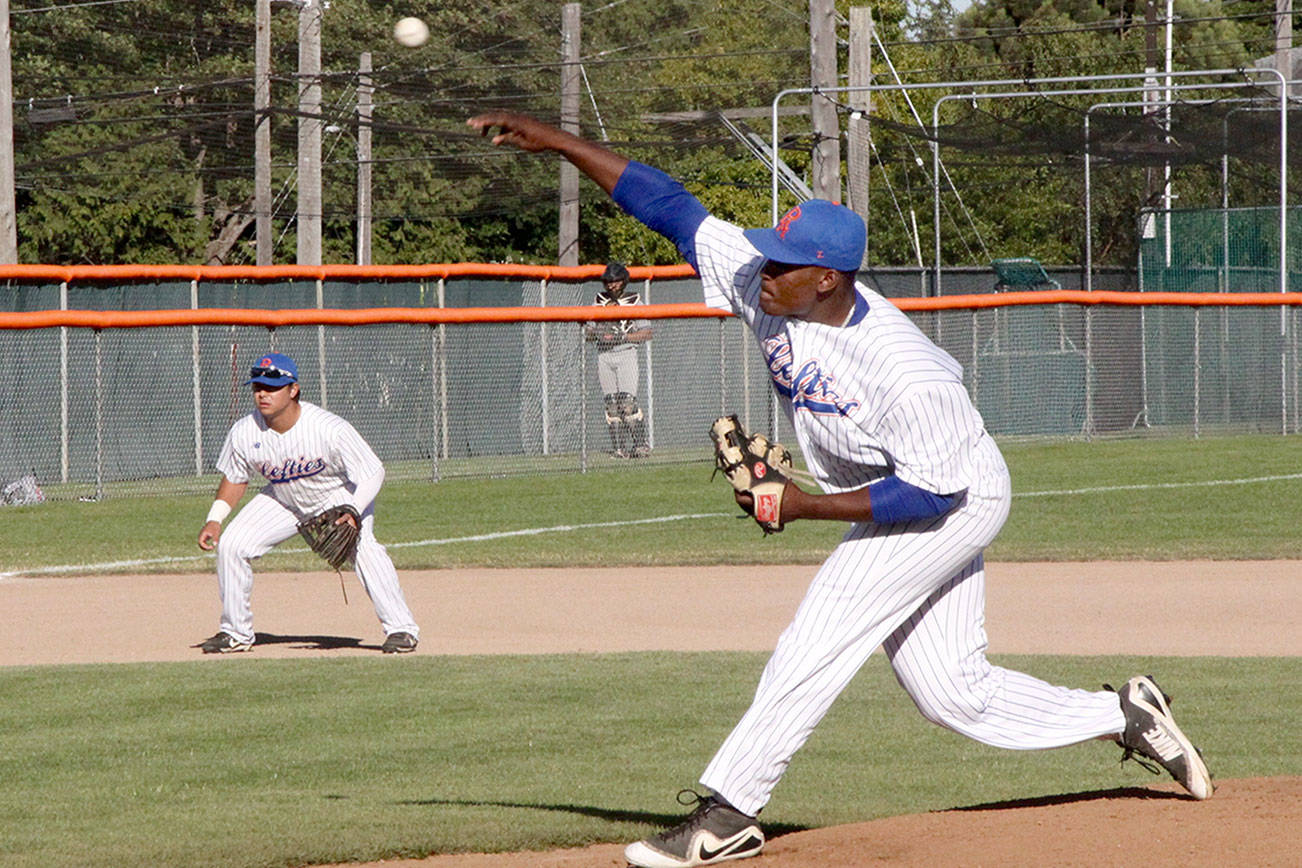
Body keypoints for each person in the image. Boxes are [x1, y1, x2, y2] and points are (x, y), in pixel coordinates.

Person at [467, 112, 1213, 868]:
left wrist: (802, 506)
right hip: (901, 487)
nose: (764, 270)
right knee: (952, 693)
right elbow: (670, 206)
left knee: (823, 629)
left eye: (783, 265)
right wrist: (559, 142)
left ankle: (728, 814)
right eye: (767, 256)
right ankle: (1122, 715)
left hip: (952, 496)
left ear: (827, 278)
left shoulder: (903, 372)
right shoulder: (768, 283)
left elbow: (930, 495)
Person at [196, 352, 420, 655]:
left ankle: (401, 629)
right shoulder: (244, 431)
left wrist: (353, 510)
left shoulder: (328, 428)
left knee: (364, 549)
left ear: (293, 390)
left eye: (272, 387)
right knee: (232, 545)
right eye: (258, 387)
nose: (263, 393)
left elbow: (372, 472)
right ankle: (236, 633)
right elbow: (236, 477)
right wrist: (215, 519)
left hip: (336, 495)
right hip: (284, 498)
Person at [583, 261, 653, 457]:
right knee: (611, 404)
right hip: (604, 354)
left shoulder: (634, 301)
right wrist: (598, 332)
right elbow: (588, 333)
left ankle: (640, 445)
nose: (612, 286)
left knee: (627, 401)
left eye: (616, 281)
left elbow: (647, 332)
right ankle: (619, 448)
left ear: (624, 281)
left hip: (625, 352)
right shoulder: (599, 302)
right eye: (608, 282)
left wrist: (623, 337)